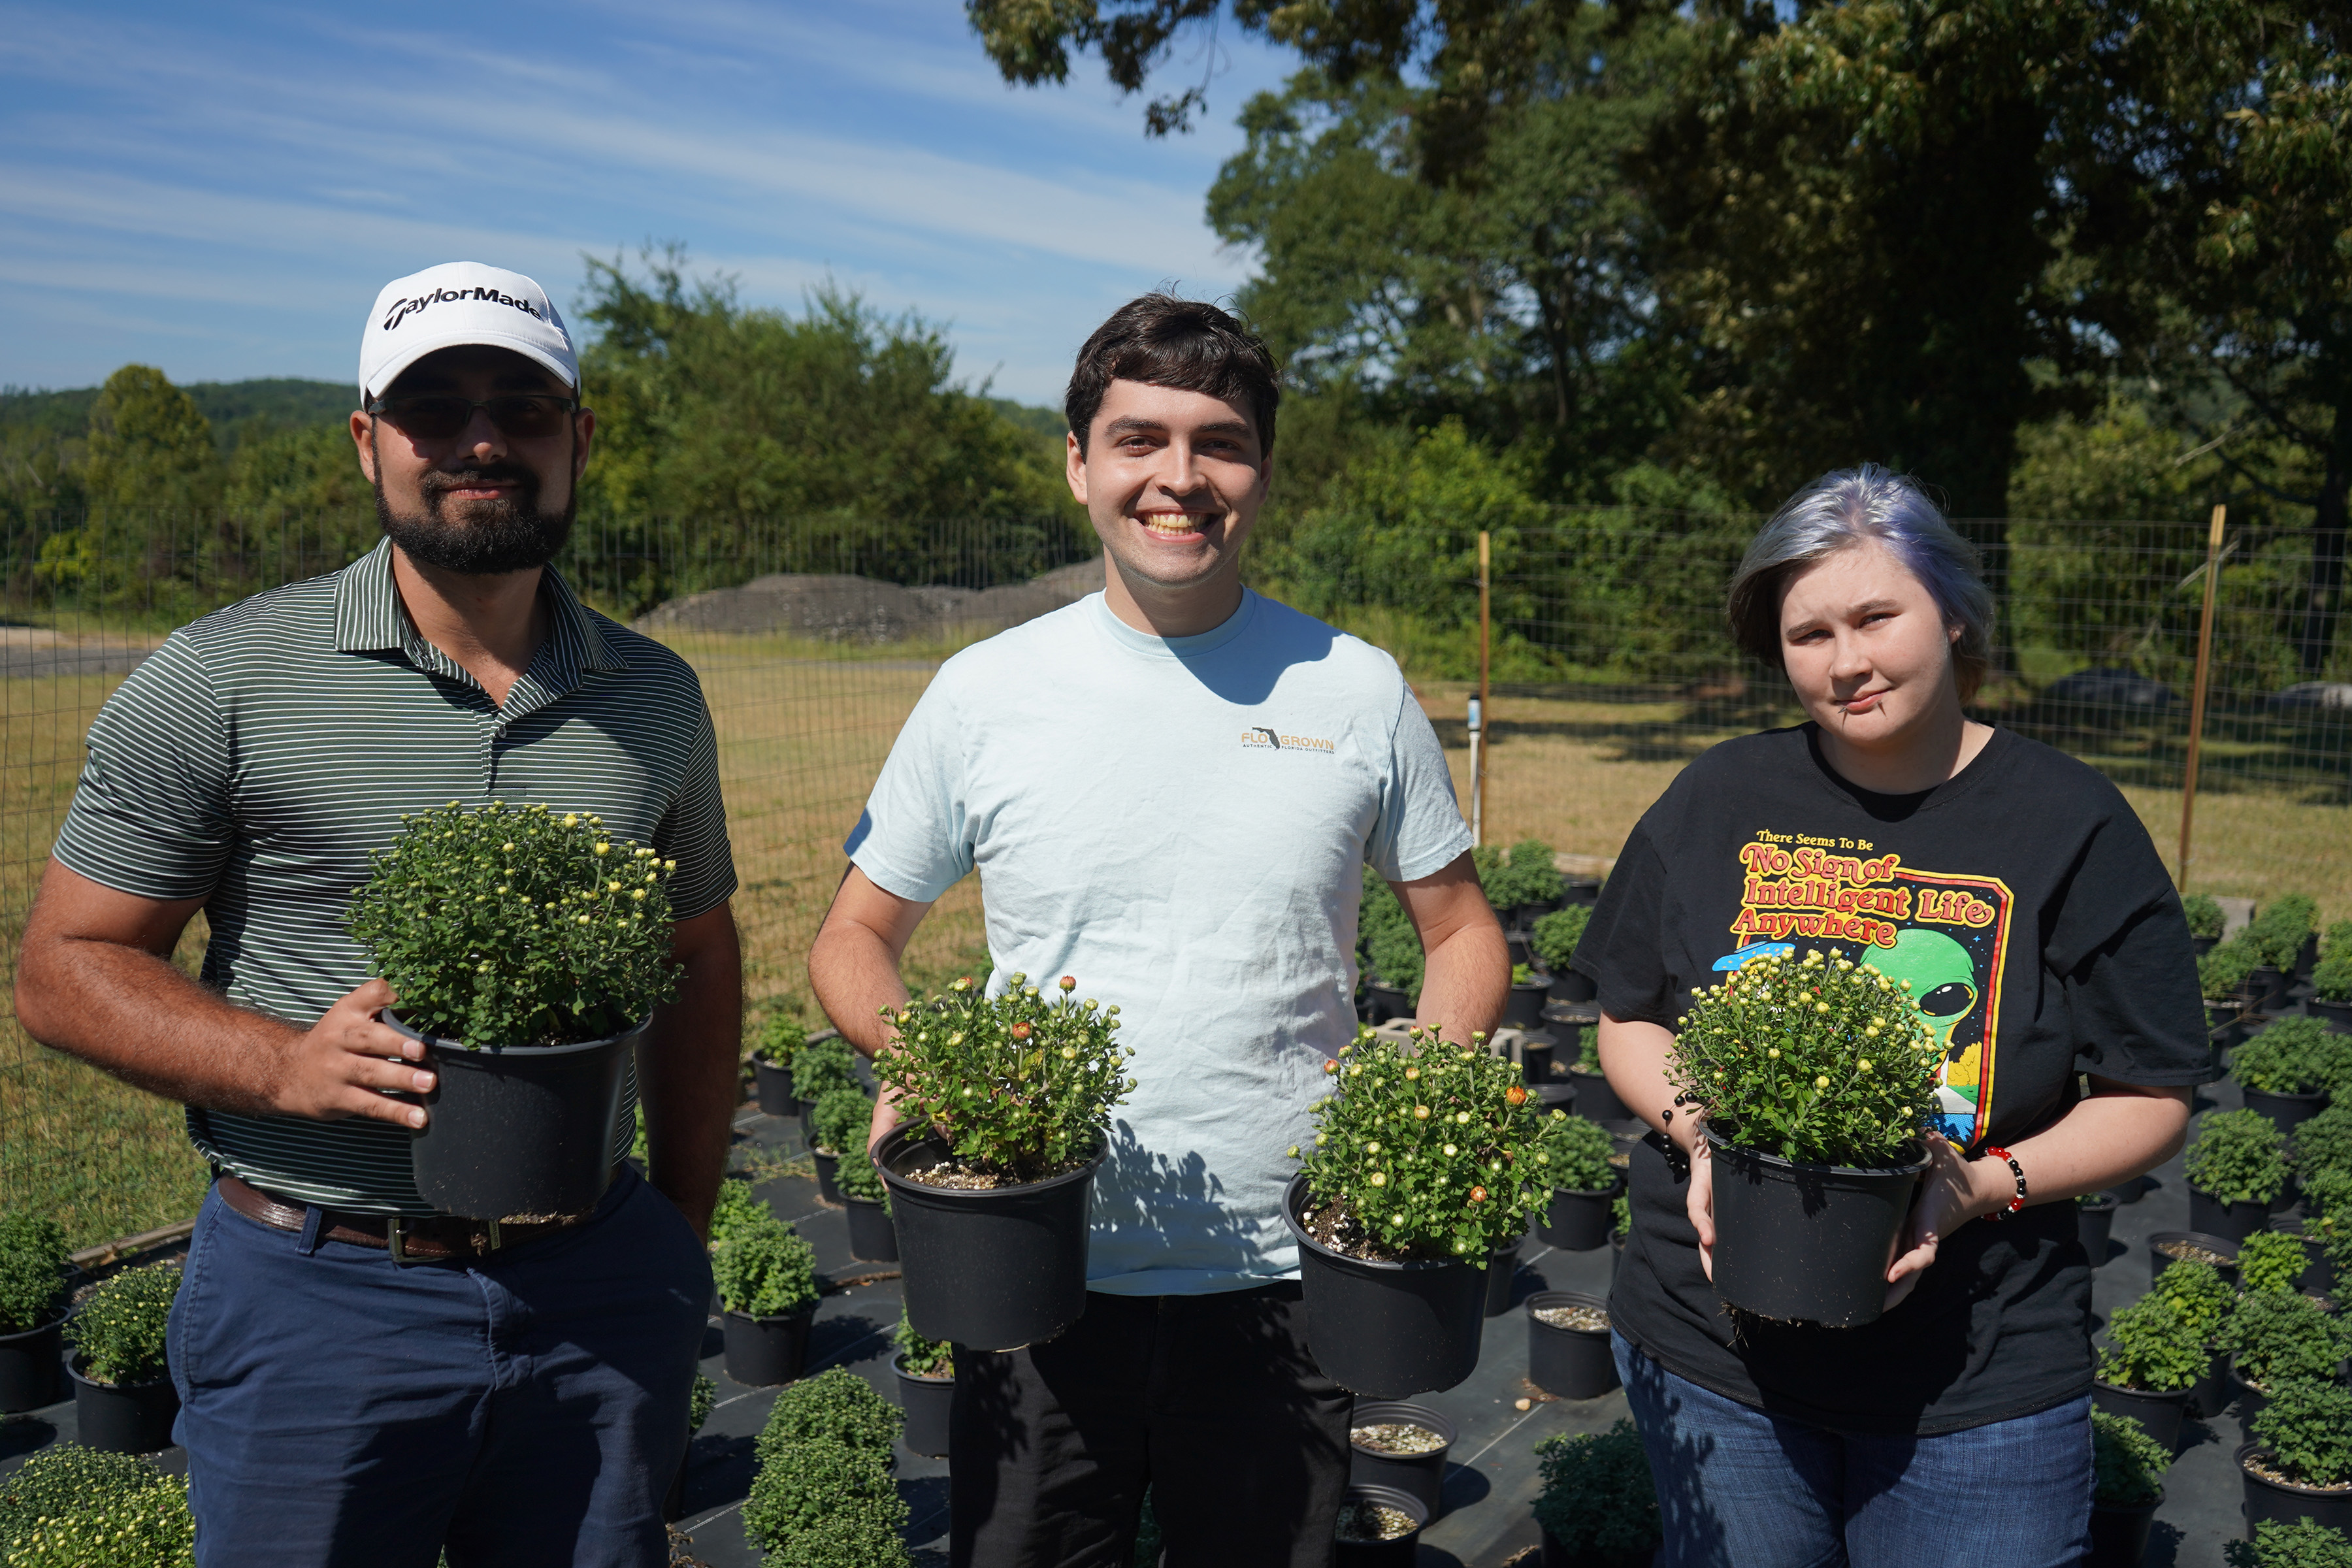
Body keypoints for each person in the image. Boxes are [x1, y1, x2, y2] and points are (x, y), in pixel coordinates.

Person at [14, 261, 742, 1568]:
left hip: (597, 1292)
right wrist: (280, 1064)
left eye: (522, 408)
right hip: (321, 1300)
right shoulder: (225, 677)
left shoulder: (654, 697)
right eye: (433, 408)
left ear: (578, 441)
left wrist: (678, 1232)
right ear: (368, 443)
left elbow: (694, 953)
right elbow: (66, 968)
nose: (480, 441)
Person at [808, 293, 1507, 1568]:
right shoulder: (985, 695)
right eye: (1139, 439)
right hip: (1037, 1268)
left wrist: (1429, 1062)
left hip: (1287, 1277)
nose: (1179, 477)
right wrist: (918, 1056)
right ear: (1078, 465)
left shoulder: (1353, 688)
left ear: (1264, 472)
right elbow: (854, 936)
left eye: (1219, 442)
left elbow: (1461, 934)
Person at [1573, 465, 2212, 1568]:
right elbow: (1629, 1020)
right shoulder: (1720, 796)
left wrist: (1977, 1187)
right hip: (1717, 1358)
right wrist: (1700, 1128)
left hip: (1977, 1381)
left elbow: (2153, 1094)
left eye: (1876, 615)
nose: (1846, 660)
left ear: (1954, 611)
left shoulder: (2071, 823)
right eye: (1809, 631)